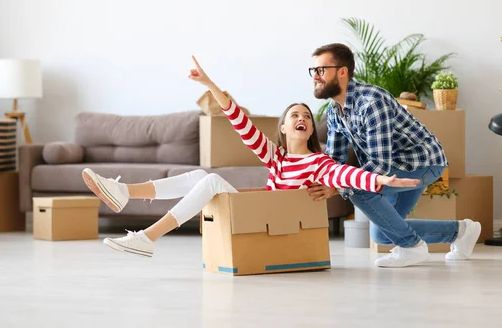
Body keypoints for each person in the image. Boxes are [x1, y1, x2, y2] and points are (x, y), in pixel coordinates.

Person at [81, 56, 421, 258]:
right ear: (284, 129)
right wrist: (210, 82)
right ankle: (127, 197)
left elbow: (347, 176)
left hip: (274, 226)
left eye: (306, 115)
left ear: (310, 129)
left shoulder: (319, 163)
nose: (302, 118)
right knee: (202, 176)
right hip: (258, 220)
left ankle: (148, 237)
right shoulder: (276, 158)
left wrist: (380, 179)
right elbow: (238, 120)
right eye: (294, 116)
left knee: (210, 179)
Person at [307, 43, 481, 267]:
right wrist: (321, 180)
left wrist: (339, 187)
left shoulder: (371, 101)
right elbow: (336, 162)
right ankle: (462, 231)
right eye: (313, 71)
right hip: (397, 167)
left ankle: (412, 247)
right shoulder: (334, 112)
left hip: (423, 162)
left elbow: (380, 164)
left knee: (357, 188)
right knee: (382, 233)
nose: (315, 77)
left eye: (321, 70)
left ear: (342, 71)